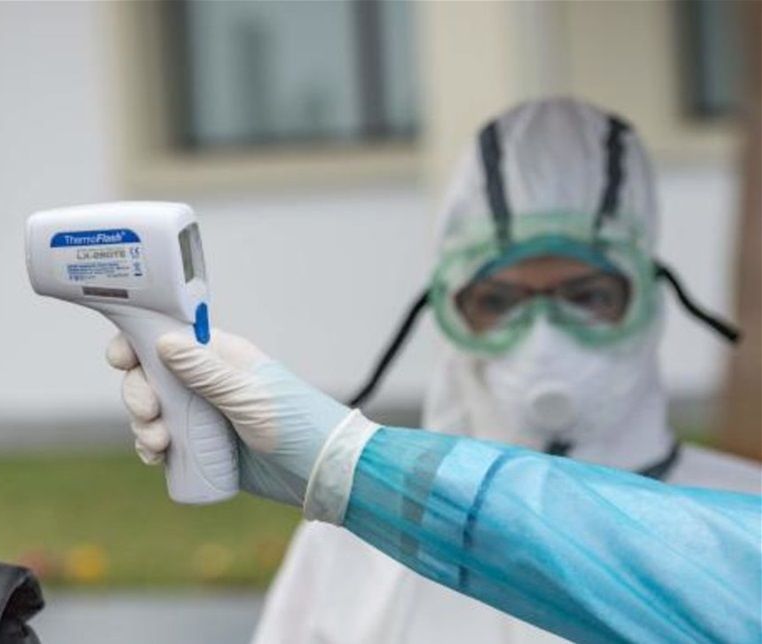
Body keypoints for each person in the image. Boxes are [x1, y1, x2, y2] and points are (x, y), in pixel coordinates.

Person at [105, 98, 761, 643]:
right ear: (448, 309)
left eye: (587, 297)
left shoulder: (739, 517)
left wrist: (348, 467)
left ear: (647, 300)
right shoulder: (352, 544)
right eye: (498, 302)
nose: (544, 338)